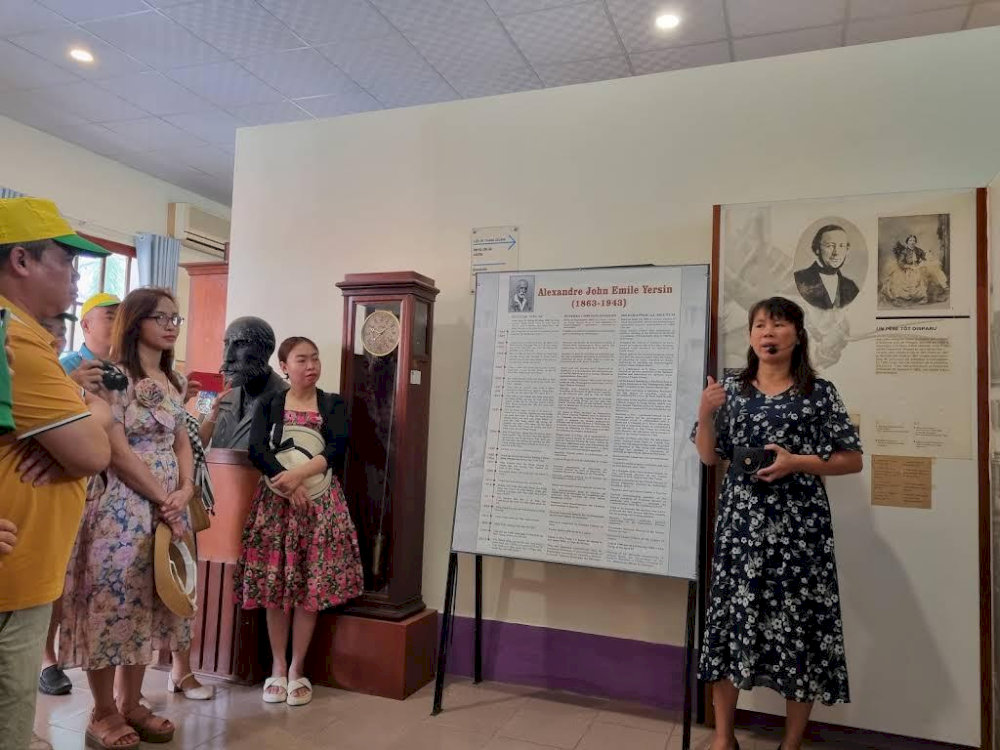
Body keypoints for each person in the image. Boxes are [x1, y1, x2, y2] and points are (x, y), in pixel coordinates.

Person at [693, 296, 863, 750]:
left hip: (800, 533)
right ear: (750, 336)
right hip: (741, 530)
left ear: (798, 334)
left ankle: (791, 743)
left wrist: (797, 463)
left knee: (800, 628)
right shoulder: (731, 389)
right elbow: (710, 456)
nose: (768, 332)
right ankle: (724, 737)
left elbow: (852, 460)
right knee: (730, 623)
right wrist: (705, 412)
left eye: (779, 324)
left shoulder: (819, 392)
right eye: (760, 325)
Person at [59, 288, 197, 749]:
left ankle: (132, 702)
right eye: (162, 316)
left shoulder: (173, 380)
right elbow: (115, 450)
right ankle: (101, 710)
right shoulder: (110, 376)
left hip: (167, 508)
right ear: (136, 320)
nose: (172, 325)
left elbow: (182, 441)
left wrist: (186, 489)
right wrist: (163, 496)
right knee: (112, 604)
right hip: (120, 506)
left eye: (177, 318)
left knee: (149, 602)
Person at [0, 197, 113, 750]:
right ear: (21, 260)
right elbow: (94, 453)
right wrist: (86, 408)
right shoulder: (15, 339)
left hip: (23, 572)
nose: (75, 276)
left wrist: (77, 417)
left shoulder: (25, 337)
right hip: (9, 579)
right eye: (65, 261)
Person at [236, 336, 364, 706]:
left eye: (315, 358)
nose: (311, 366)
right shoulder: (269, 404)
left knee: (310, 587)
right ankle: (277, 667)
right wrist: (287, 484)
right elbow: (257, 450)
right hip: (276, 506)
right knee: (276, 590)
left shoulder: (333, 404)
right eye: (302, 360)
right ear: (284, 367)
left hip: (320, 505)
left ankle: (298, 669)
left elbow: (337, 447)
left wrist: (299, 475)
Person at [201, 316, 287, 450]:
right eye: (226, 344)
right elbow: (195, 445)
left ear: (267, 349)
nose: (228, 357)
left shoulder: (288, 400)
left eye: (241, 344)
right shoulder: (214, 394)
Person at [60, 292, 119, 393]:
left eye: (121, 319)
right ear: (86, 325)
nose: (120, 324)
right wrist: (70, 385)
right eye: (111, 318)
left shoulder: (127, 366)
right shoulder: (64, 367)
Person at [793, 225, 860, 310]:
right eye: (830, 246)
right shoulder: (799, 280)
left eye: (841, 246)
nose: (836, 253)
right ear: (817, 249)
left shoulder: (851, 287)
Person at [879, 234, 949, 307]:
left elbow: (924, 256)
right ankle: (911, 297)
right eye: (910, 240)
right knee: (905, 281)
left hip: (917, 268)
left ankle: (924, 297)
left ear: (915, 242)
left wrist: (926, 257)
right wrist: (910, 266)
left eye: (914, 241)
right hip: (907, 270)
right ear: (907, 242)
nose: (912, 242)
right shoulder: (904, 252)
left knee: (923, 275)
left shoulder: (918, 250)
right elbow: (900, 263)